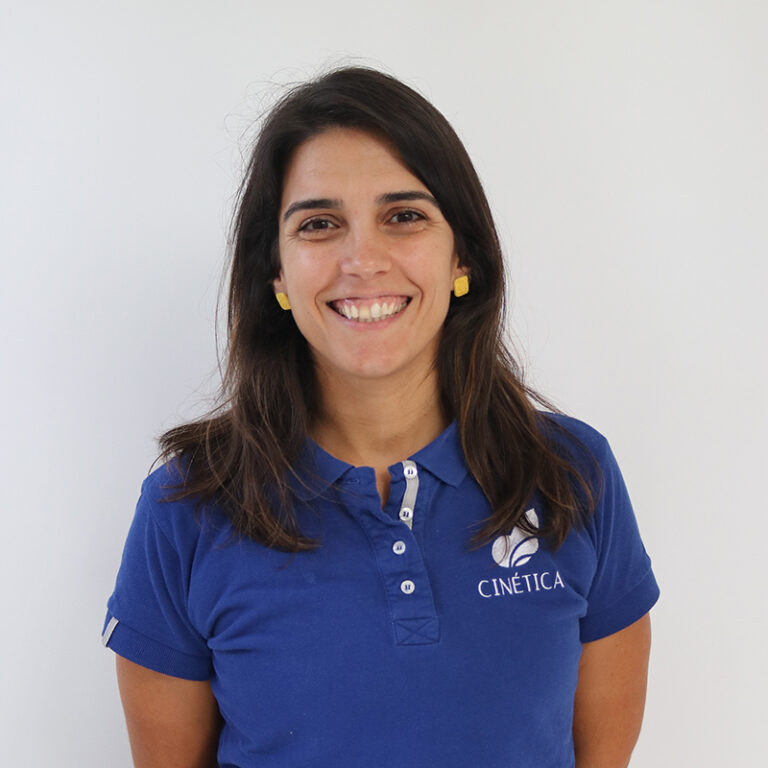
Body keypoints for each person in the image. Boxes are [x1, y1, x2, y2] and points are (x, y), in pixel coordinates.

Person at [103, 66, 659, 768]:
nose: (362, 260)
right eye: (319, 224)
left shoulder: (573, 475)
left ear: (462, 256)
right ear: (276, 273)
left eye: (404, 216)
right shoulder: (187, 507)